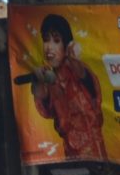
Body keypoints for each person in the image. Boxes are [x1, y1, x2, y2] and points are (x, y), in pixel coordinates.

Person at [30, 13, 106, 159]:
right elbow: (45, 106)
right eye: (46, 40)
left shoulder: (77, 70)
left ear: (67, 45)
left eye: (56, 40)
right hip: (71, 154)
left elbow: (83, 75)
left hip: (95, 153)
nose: (49, 47)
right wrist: (37, 81)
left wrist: (73, 58)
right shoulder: (50, 79)